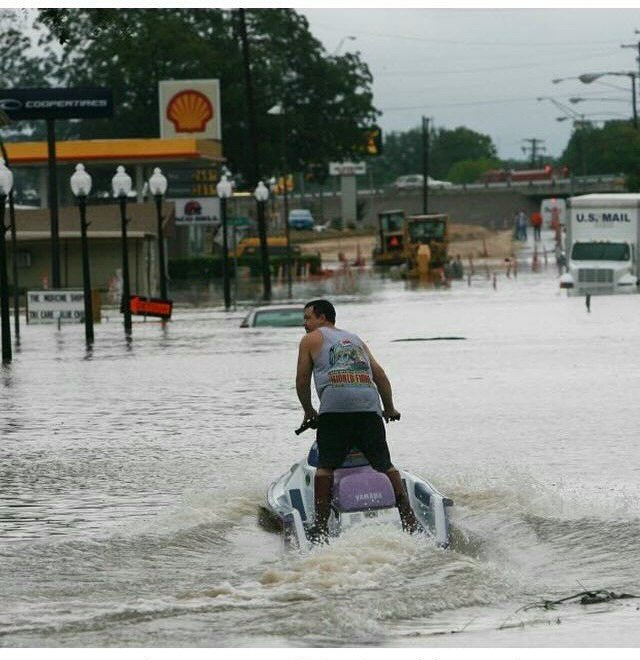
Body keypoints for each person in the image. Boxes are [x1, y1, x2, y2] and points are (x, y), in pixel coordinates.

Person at [295, 299, 419, 542]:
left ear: (322, 317)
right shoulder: (356, 339)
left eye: (307, 318)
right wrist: (389, 408)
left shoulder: (310, 340)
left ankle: (319, 526)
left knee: (325, 467)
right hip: (369, 408)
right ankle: (408, 515)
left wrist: (309, 410)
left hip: (335, 410)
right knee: (385, 463)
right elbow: (380, 375)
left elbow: (301, 379)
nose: (304, 324)